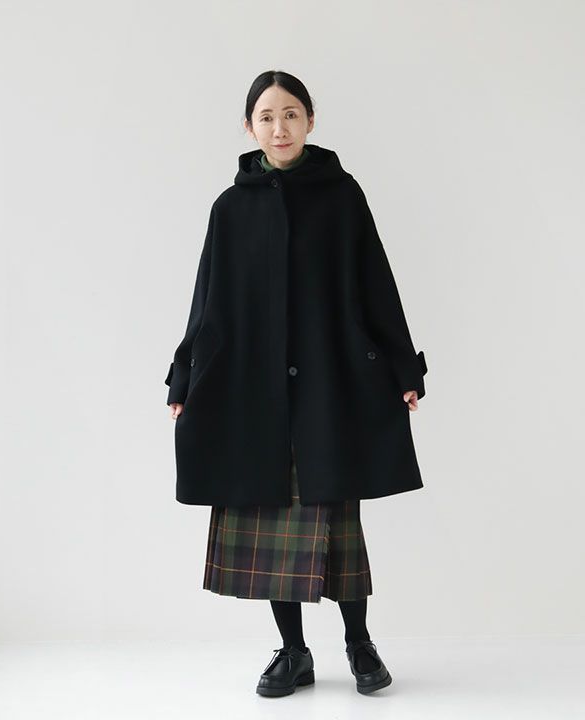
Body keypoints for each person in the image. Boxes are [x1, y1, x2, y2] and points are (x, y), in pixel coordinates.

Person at [165, 70, 427, 697]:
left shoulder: (342, 196)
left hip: (328, 385)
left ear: (311, 120)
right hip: (252, 391)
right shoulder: (230, 209)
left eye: (290, 114)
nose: (279, 128)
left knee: (337, 521)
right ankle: (294, 652)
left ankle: (360, 644)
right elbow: (207, 301)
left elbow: (376, 282)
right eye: (266, 116)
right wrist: (184, 376)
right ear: (248, 127)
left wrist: (402, 367)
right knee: (268, 517)